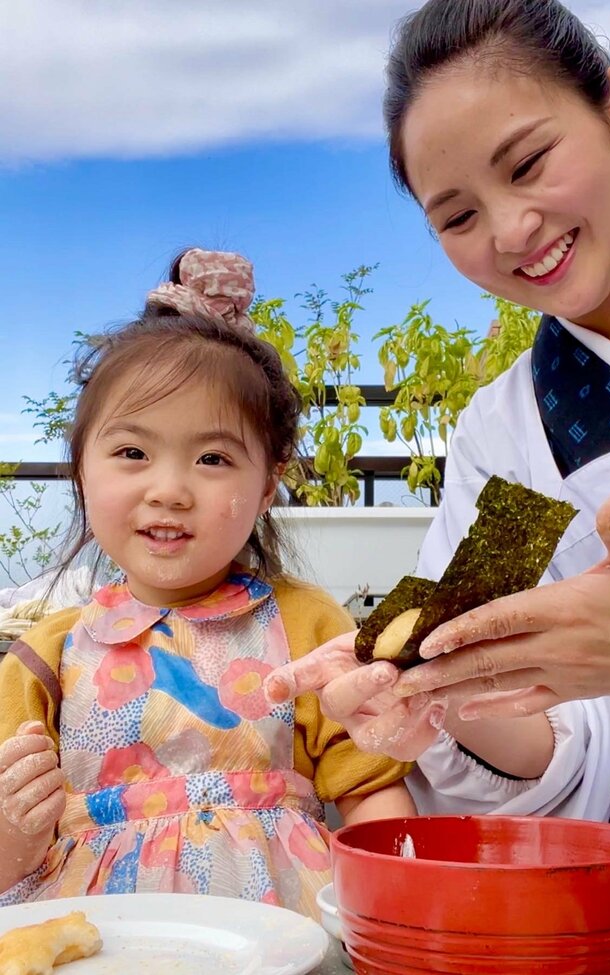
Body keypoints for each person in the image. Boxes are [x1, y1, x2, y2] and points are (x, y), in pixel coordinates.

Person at [264, 0, 610, 937]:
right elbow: (536, 724)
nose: (508, 230)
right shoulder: (508, 431)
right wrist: (435, 700)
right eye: (457, 215)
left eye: (529, 163)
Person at [0, 249, 415, 918]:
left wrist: (403, 912)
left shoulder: (308, 625)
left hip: (284, 926)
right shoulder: (45, 655)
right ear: (82, 468)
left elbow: (371, 785)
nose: (169, 490)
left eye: (213, 457)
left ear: (268, 483)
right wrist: (15, 826)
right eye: (132, 452)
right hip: (101, 937)